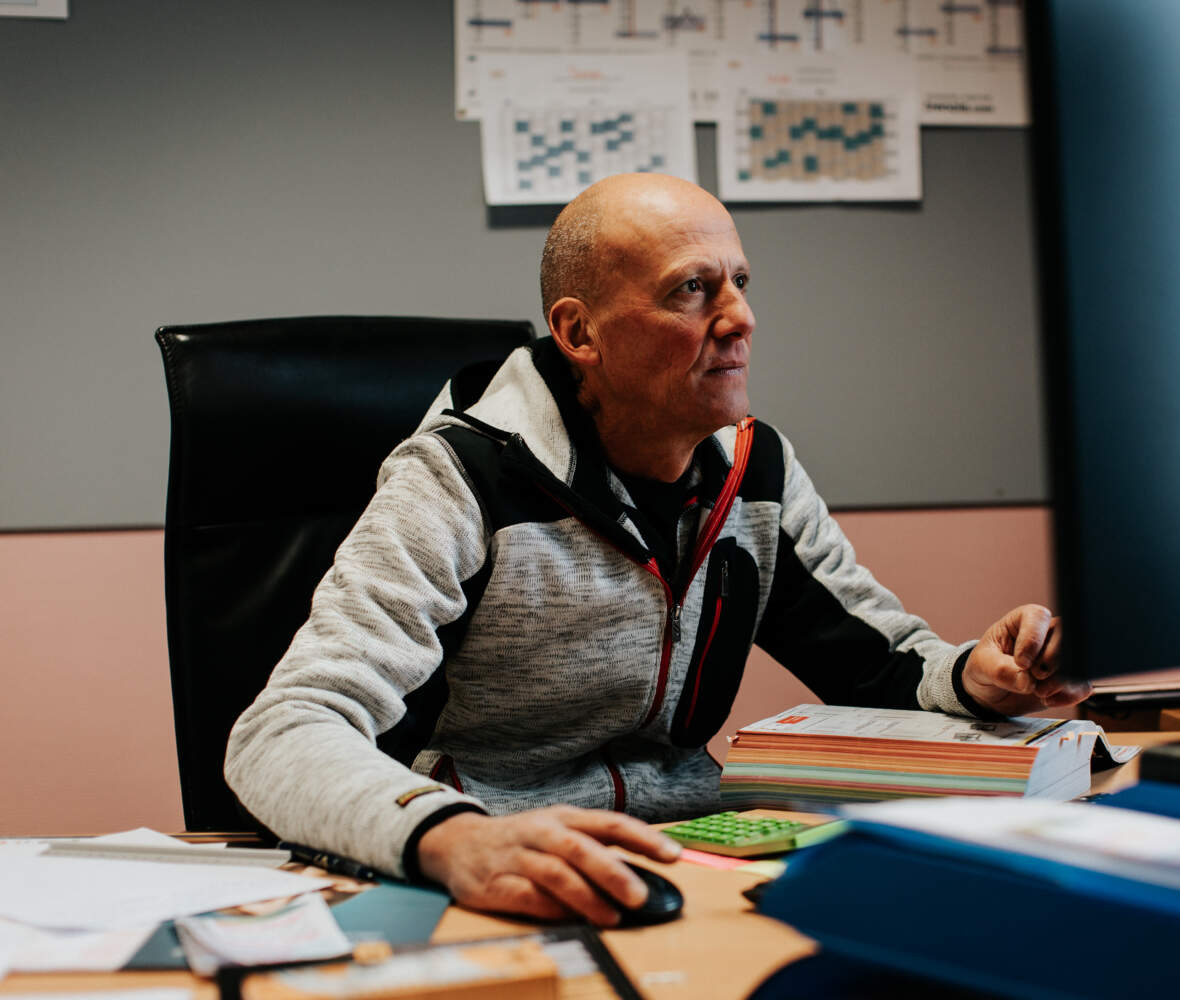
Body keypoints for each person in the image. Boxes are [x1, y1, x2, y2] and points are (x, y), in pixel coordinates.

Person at [225, 173, 1089, 927]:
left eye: (741, 283)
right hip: (505, 866)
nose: (740, 318)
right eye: (691, 290)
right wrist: (453, 841)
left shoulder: (757, 469)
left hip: (699, 854)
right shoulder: (459, 479)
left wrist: (977, 673)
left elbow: (882, 666)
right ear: (580, 332)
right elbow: (281, 732)